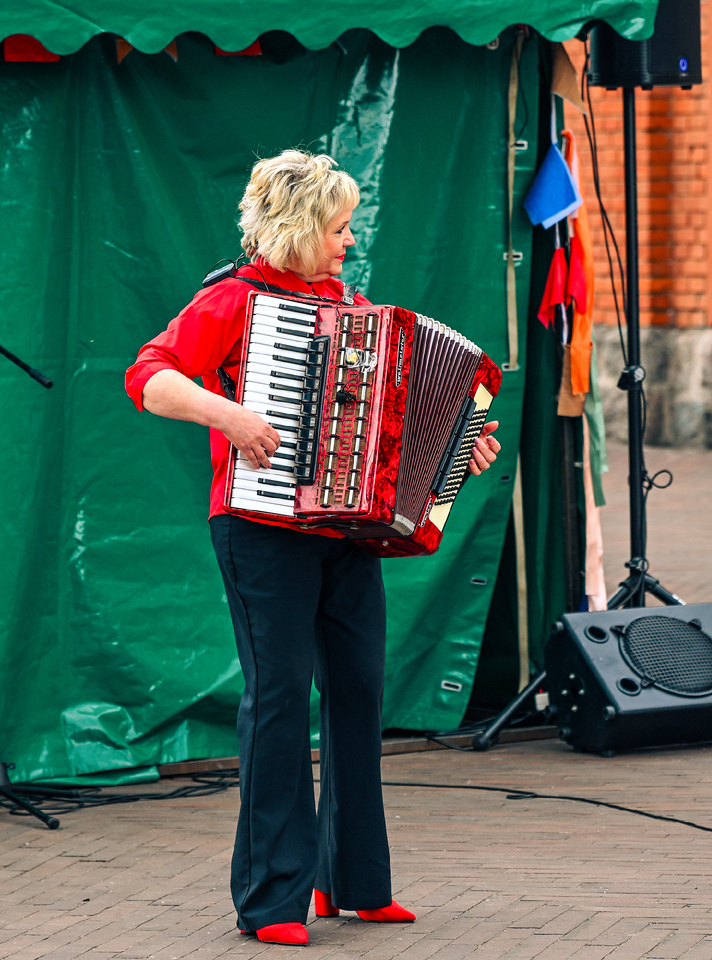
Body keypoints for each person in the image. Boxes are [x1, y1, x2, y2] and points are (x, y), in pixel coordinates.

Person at [124, 150, 501, 944]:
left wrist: (456, 447)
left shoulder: (353, 309)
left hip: (341, 533)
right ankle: (270, 899)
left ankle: (355, 883)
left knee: (360, 691)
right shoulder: (232, 300)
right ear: (296, 228)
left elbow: (385, 445)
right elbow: (149, 377)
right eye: (336, 227)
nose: (348, 241)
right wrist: (226, 416)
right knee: (281, 700)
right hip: (259, 531)